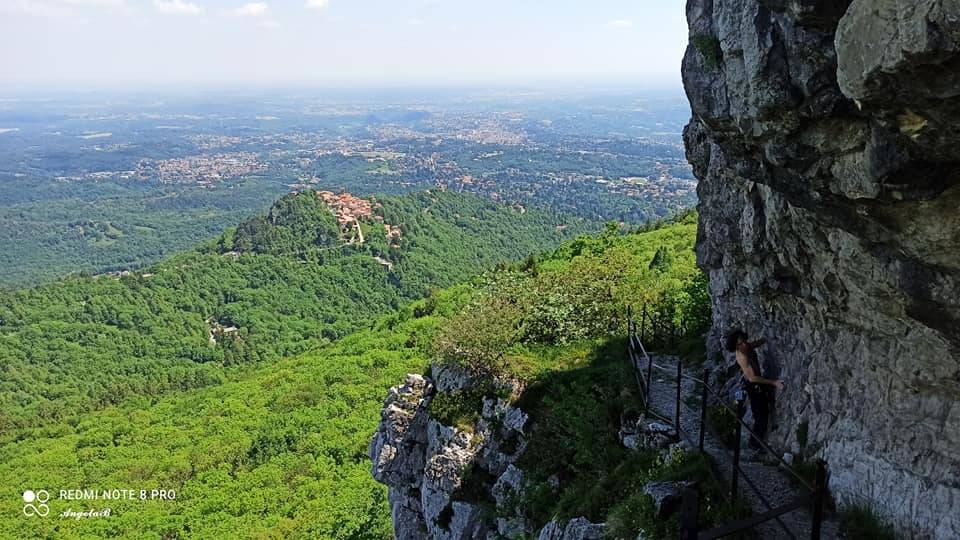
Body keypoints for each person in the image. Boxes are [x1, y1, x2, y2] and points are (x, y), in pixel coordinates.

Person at [725, 329, 784, 457]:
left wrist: (766, 339)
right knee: (760, 415)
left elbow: (754, 344)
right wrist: (774, 383)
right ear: (736, 345)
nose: (744, 343)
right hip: (753, 385)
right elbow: (752, 378)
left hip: (757, 382)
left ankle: (756, 442)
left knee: (763, 412)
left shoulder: (746, 347)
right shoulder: (741, 356)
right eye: (741, 343)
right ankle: (754, 444)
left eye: (744, 340)